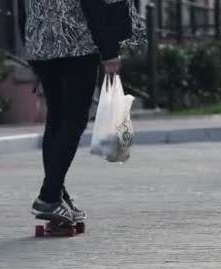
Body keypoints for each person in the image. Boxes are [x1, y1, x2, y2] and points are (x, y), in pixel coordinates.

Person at [19, 0, 144, 223]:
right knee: (74, 120)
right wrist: (109, 51)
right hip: (77, 45)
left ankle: (56, 194)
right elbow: (94, 5)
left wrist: (28, 44)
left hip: (41, 45)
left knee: (56, 119)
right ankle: (48, 197)